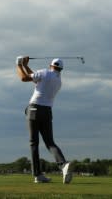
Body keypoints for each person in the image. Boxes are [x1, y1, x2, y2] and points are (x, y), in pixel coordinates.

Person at [16, 55, 72, 184]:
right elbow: (35, 78)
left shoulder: (44, 72)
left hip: (34, 109)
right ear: (61, 69)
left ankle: (38, 174)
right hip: (47, 112)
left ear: (51, 65)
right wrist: (25, 66)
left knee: (34, 143)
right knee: (50, 142)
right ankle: (63, 165)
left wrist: (19, 64)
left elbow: (24, 78)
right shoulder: (58, 81)